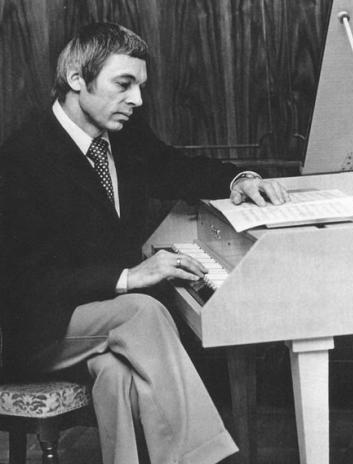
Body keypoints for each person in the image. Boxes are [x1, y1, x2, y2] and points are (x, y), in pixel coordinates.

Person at [1, 22, 288, 464]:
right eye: (123, 84)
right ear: (77, 79)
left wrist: (240, 179)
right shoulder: (20, 159)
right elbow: (23, 284)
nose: (136, 99)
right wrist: (129, 278)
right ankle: (208, 459)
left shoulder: (122, 132)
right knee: (143, 310)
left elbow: (175, 168)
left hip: (101, 323)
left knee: (117, 375)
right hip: (37, 329)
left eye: (140, 86)